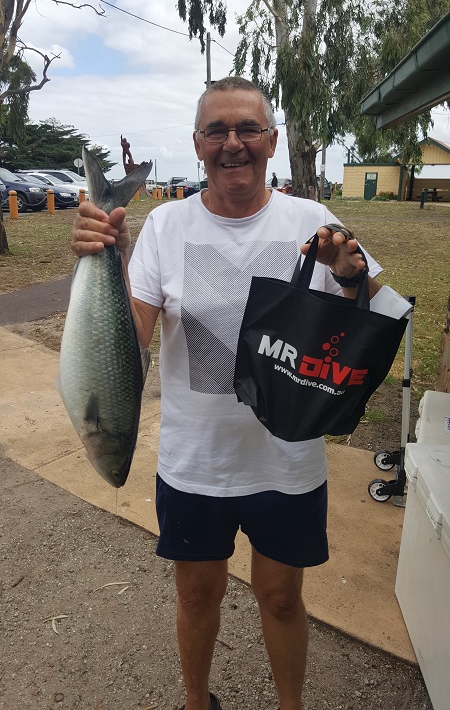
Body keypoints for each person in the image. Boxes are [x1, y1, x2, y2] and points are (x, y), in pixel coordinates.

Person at [71, 76, 383, 710]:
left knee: (282, 598)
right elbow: (127, 343)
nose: (233, 143)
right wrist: (103, 256)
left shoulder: (313, 220)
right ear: (197, 144)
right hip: (197, 463)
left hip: (287, 461)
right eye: (217, 130)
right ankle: (195, 702)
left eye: (247, 129)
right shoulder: (164, 226)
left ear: (271, 140)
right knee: (195, 595)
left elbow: (375, 309)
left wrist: (351, 278)